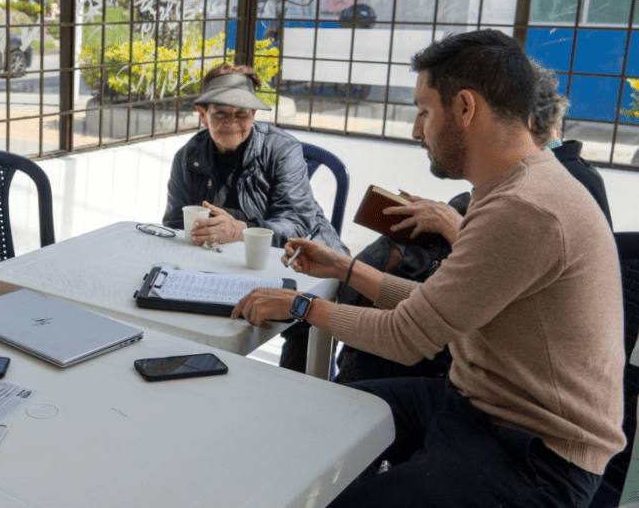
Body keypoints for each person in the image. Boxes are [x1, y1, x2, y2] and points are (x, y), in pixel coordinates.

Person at [232, 30, 624, 507]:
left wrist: (301, 304)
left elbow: (405, 336)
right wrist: (344, 268)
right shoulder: (507, 186)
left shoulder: (525, 208)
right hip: (477, 403)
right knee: (314, 419)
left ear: (464, 107)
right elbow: (434, 307)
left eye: (423, 111)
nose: (417, 130)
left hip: (536, 455)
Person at [333, 59, 615, 384]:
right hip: (473, 325)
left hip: (504, 363)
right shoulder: (528, 175)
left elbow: (503, 278)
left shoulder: (562, 184)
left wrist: (451, 223)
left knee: (374, 356)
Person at [162, 63, 348, 372]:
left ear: (254, 115)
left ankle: (294, 399)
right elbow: (171, 224)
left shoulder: (282, 149)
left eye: (242, 114)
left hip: (302, 260)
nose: (232, 123)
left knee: (304, 318)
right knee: (172, 305)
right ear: (202, 113)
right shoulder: (188, 157)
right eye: (220, 113)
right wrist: (193, 234)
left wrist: (240, 231)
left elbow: (297, 223)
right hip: (230, 269)